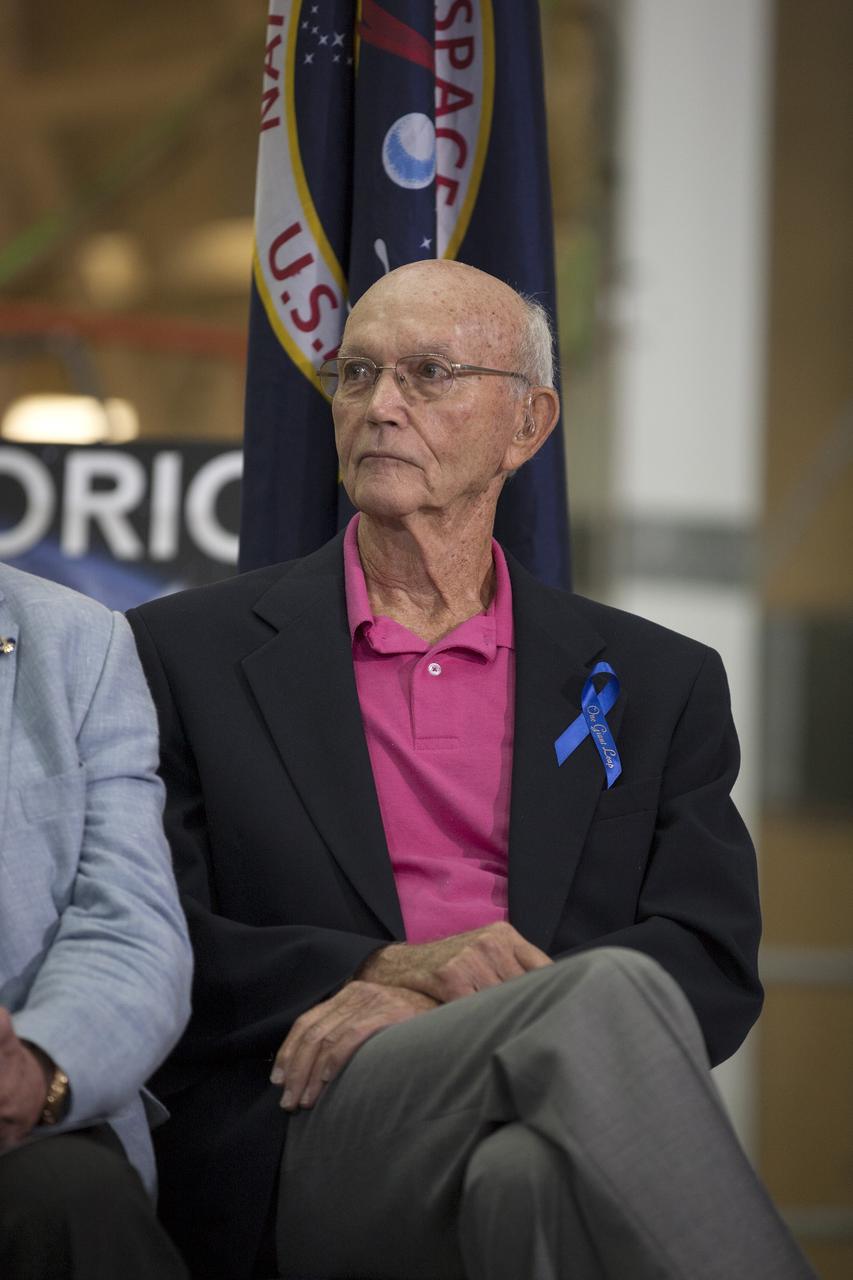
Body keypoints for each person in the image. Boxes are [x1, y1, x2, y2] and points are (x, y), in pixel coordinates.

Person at [128, 260, 813, 1280]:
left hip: (537, 1111)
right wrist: (374, 969)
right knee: (600, 991)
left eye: (428, 373)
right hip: (302, 1114)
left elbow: (711, 960)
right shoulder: (181, 652)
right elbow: (150, 929)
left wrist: (480, 1016)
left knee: (525, 1177)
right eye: (356, 374)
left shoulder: (658, 681)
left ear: (528, 424)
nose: (381, 406)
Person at [0, 564, 192, 1279]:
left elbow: (131, 927)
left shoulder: (75, 639)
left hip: (23, 1127)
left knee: (74, 1197)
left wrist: (38, 1070)